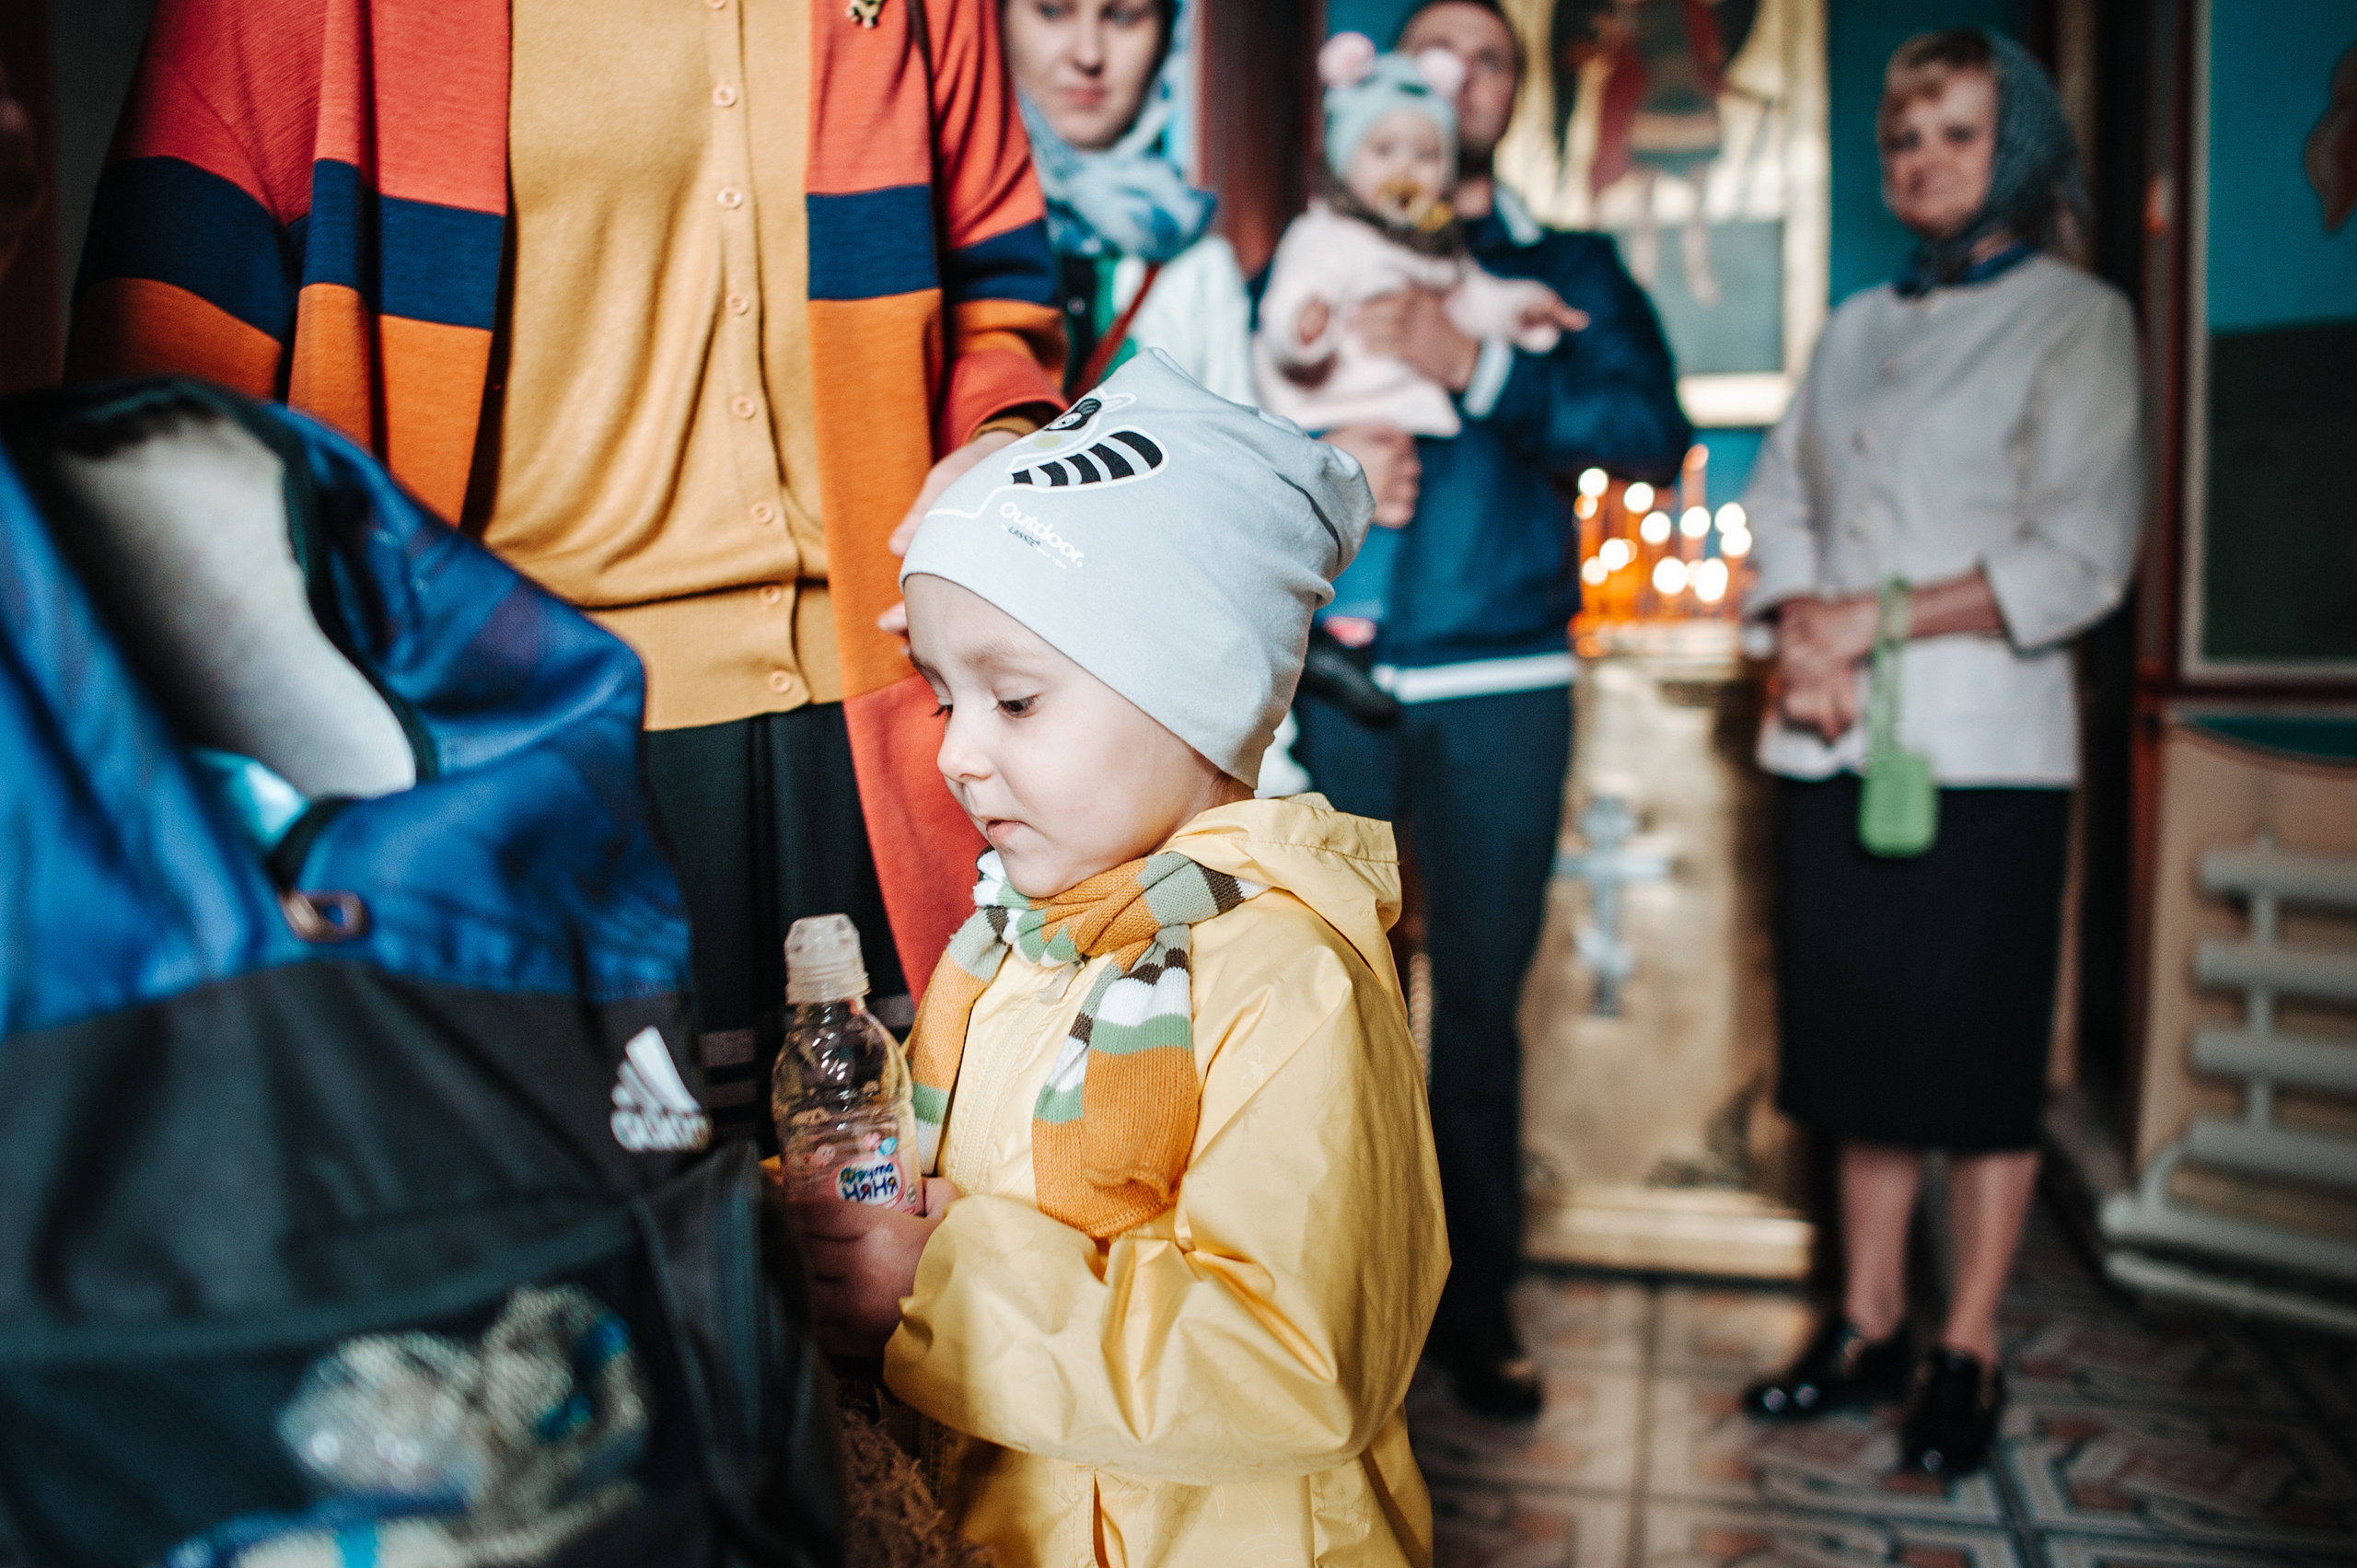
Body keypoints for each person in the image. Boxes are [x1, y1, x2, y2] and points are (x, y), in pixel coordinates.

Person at [68, 0, 1067, 1138]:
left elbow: (1002, 296)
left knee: (935, 1224)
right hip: (499, 766)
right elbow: (149, 433)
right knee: (583, 1239)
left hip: (889, 741)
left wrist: (1000, 444)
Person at [792, 352, 1449, 1567]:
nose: (956, 755)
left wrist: (936, 1285)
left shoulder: (1289, 982)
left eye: (1015, 700)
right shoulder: (1008, 951)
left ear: (1195, 694)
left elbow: (1298, 1361)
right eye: (944, 700)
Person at [1736, 29, 2142, 1476]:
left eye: (1957, 134)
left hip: (1984, 754)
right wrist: (1802, 630)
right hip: (1826, 742)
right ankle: (1868, 1321)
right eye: (1904, 138)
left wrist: (1873, 619)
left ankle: (1966, 1342)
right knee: (1858, 1048)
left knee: (1974, 1058)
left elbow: (2080, 553)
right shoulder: (1852, 325)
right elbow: (1782, 499)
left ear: (2015, 148)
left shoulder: (2078, 320)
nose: (1923, 161)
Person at [1287, 0, 1691, 1422]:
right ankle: (1339, 1297)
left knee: (1477, 1002)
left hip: (1505, 679)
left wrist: (1483, 367)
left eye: (1493, 55)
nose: (1460, 77)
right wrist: (1325, 445)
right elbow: (1240, 416)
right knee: (1331, 991)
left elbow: (1649, 434)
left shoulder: (1562, 267)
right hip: (1340, 677)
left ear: (1516, 95)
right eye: (1437, 49)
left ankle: (1479, 1298)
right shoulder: (1319, 253)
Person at [1257, 32, 1585, 442]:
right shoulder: (1323, 234)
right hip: (1322, 414)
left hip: (1409, 419)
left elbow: (1476, 298)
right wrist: (1303, 326)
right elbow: (1284, 304)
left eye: (1426, 156)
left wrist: (1521, 309)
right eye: (1384, 151)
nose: (1405, 169)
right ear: (1344, 163)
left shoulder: (1436, 246)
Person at [1004, 0, 1249, 401]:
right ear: (995, 21)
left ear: (1167, 36)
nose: (1088, 55)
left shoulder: (1201, 267)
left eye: (1123, 17)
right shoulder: (945, 230)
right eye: (1053, 10)